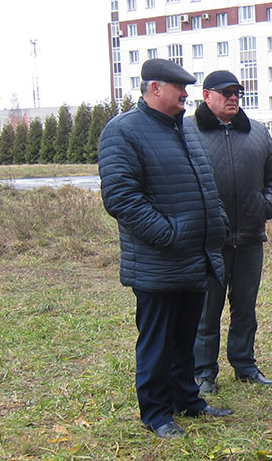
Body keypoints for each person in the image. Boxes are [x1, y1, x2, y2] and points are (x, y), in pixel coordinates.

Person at [99, 59, 233, 439]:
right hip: (159, 262)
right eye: (179, 89)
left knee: (184, 338)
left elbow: (207, 187)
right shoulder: (123, 132)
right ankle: (156, 413)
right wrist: (170, 236)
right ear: (155, 88)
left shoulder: (185, 131)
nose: (186, 96)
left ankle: (188, 401)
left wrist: (216, 224)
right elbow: (122, 199)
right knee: (157, 341)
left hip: (195, 257)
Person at [187, 70, 272, 396]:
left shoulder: (257, 133)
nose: (233, 97)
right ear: (207, 96)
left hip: (249, 239)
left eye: (237, 93)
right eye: (225, 92)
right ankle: (203, 373)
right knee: (206, 311)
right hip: (208, 242)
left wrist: (264, 207)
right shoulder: (187, 133)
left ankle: (244, 365)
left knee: (245, 308)